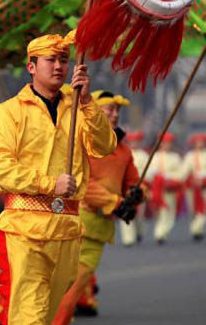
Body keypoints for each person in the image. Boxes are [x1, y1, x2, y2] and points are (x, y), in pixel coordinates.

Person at [0, 33, 116, 325]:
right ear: (31, 66)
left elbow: (105, 146)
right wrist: (49, 184)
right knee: (29, 315)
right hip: (24, 227)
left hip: (67, 228)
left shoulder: (79, 107)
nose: (58, 66)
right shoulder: (8, 112)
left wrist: (87, 102)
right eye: (50, 60)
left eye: (64, 60)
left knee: (49, 316)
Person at [53, 90, 142, 322]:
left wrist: (137, 194)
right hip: (75, 221)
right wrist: (116, 203)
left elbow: (132, 183)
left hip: (98, 230)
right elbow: (82, 184)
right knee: (64, 285)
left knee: (73, 285)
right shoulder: (82, 142)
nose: (115, 115)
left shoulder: (123, 150)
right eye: (109, 109)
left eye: (117, 111)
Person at [147, 133, 183, 244]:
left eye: (169, 143)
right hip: (157, 189)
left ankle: (163, 232)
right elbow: (148, 171)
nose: (166, 145)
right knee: (159, 212)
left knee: (169, 212)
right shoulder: (154, 156)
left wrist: (170, 178)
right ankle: (159, 233)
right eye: (164, 143)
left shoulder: (175, 157)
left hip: (169, 189)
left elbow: (180, 173)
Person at [182, 133, 206, 241]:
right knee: (192, 209)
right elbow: (184, 170)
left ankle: (196, 228)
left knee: (203, 208)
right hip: (192, 187)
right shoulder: (189, 156)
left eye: (201, 142)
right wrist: (179, 180)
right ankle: (198, 229)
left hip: (205, 186)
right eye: (197, 142)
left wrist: (204, 176)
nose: (200, 144)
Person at [119, 131, 148, 246]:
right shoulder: (124, 154)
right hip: (126, 186)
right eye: (132, 141)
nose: (134, 143)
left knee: (139, 213)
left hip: (140, 186)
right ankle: (128, 238)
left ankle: (139, 232)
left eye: (136, 141)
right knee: (125, 209)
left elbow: (149, 172)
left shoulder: (144, 156)